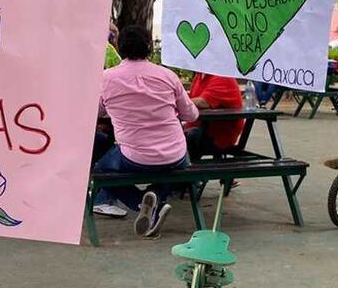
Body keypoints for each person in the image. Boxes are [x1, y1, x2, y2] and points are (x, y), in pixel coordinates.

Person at [93, 25, 199, 237]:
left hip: (134, 156)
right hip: (175, 154)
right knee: (172, 167)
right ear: (149, 47)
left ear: (119, 47)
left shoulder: (106, 79)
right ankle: (155, 200)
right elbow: (191, 115)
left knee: (99, 171)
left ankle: (141, 203)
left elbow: (94, 112)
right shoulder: (168, 76)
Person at [185, 72, 245, 160]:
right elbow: (192, 97)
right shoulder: (200, 75)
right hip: (201, 128)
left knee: (183, 140)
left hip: (218, 136)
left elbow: (203, 102)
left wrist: (176, 101)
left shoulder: (222, 76)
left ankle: (183, 170)